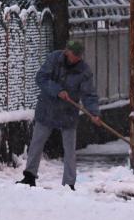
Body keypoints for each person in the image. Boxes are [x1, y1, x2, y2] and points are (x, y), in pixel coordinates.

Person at [17, 40, 102, 190]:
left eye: (79, 55)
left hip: (68, 113)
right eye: (74, 54)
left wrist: (94, 113)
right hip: (47, 109)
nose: (76, 58)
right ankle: (29, 176)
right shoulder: (53, 59)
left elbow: (89, 94)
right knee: (36, 143)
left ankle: (69, 183)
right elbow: (41, 78)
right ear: (66, 51)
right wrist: (57, 90)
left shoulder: (84, 71)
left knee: (69, 150)